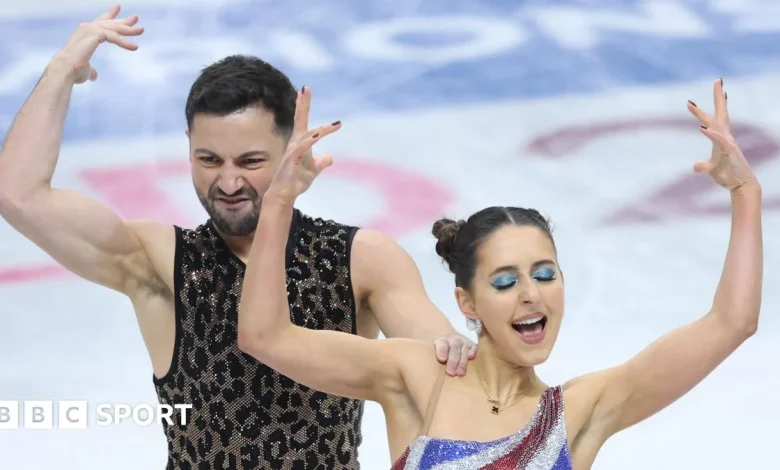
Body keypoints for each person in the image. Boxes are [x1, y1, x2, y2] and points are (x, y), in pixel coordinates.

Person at [0, 6, 477, 469]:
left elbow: (439, 363)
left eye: (250, 162)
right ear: (187, 147)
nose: (228, 184)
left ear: (295, 149)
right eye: (209, 160)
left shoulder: (360, 260)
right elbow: (17, 194)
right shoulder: (160, 261)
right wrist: (63, 68)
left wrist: (451, 348)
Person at [237, 77, 762, 469]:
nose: (531, 295)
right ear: (467, 303)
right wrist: (279, 199)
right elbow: (264, 336)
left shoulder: (582, 410)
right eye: (506, 282)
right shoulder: (418, 376)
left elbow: (732, 323)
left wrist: (745, 193)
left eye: (544, 275)